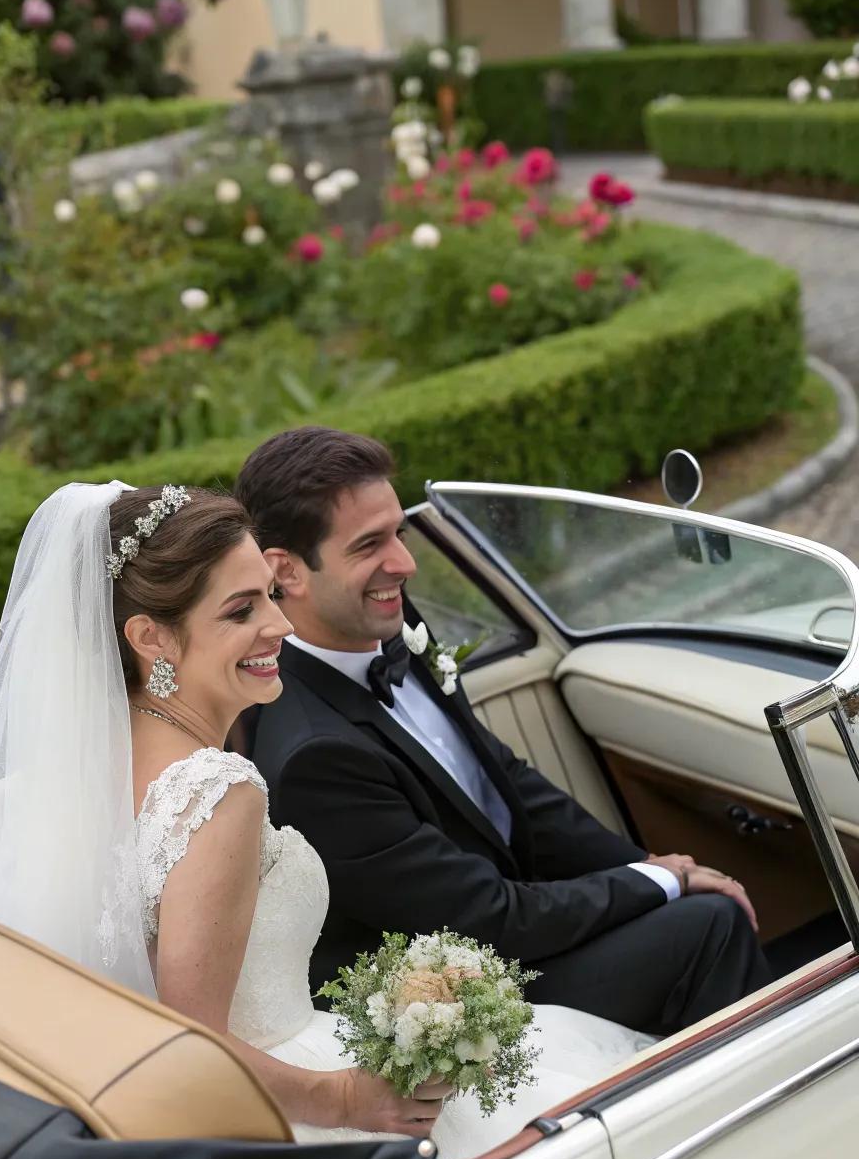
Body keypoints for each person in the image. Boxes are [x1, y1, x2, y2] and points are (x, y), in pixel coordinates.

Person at [0, 478, 662, 1159]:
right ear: (151, 637)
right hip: (286, 1104)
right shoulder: (217, 792)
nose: (278, 626)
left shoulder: (78, 767)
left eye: (272, 596)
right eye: (242, 611)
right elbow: (191, 1044)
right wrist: (346, 1098)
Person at [235, 426, 775, 1038]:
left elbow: (502, 777)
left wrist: (647, 864)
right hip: (462, 998)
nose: (405, 565)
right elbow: (487, 920)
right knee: (710, 926)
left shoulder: (385, 619)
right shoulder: (315, 756)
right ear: (287, 571)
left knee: (698, 903)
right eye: (369, 546)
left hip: (503, 919)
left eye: (400, 534)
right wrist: (661, 882)